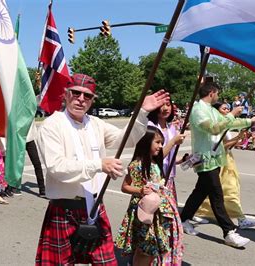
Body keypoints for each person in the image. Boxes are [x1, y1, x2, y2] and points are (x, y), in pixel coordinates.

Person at [35, 73, 170, 265]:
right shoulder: (52, 125)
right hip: (64, 209)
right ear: (66, 94)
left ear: (92, 100)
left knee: (106, 262)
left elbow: (126, 140)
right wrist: (99, 164)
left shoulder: (95, 124)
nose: (81, 99)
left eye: (87, 96)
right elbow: (57, 167)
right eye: (76, 93)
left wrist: (141, 112)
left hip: (95, 208)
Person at [180, 81, 255, 248]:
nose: (218, 96)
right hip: (205, 159)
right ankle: (229, 232)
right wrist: (232, 114)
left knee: (200, 192)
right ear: (211, 93)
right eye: (217, 93)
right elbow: (213, 128)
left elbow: (226, 124)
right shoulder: (198, 109)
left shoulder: (210, 109)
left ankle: (183, 220)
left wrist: (249, 121)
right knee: (217, 195)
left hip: (214, 158)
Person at [115, 126, 183, 265]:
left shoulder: (155, 162)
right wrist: (140, 190)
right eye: (157, 142)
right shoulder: (137, 164)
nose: (160, 146)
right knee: (145, 247)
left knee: (154, 247)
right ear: (145, 143)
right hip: (145, 212)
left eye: (161, 143)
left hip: (158, 212)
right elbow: (125, 187)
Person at [195, 102, 255, 228]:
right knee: (230, 190)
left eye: (228, 109)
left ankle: (198, 211)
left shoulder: (224, 126)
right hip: (219, 161)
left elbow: (229, 145)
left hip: (228, 159)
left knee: (214, 190)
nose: (227, 111)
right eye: (224, 109)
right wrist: (237, 139)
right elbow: (220, 147)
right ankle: (240, 219)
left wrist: (240, 138)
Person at [147, 94, 186, 200]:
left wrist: (184, 159)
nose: (165, 108)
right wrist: (173, 142)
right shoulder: (150, 127)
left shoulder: (171, 128)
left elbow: (170, 158)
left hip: (169, 178)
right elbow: (156, 157)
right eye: (161, 105)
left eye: (168, 105)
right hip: (154, 178)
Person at [26, 120, 46, 197]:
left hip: (30, 140)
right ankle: (11, 187)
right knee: (15, 165)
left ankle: (42, 189)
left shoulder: (30, 112)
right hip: (18, 140)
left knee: (37, 164)